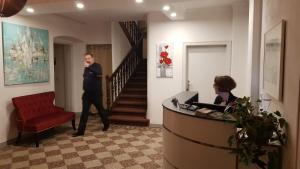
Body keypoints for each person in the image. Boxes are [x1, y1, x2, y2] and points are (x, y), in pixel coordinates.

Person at [73, 53, 109, 137]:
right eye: (85, 58)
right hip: (87, 94)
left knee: (101, 110)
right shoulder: (86, 68)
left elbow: (98, 74)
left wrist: (89, 67)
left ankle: (106, 123)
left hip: (96, 94)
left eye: (88, 58)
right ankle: (80, 131)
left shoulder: (97, 66)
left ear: (93, 58)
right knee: (84, 113)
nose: (87, 60)